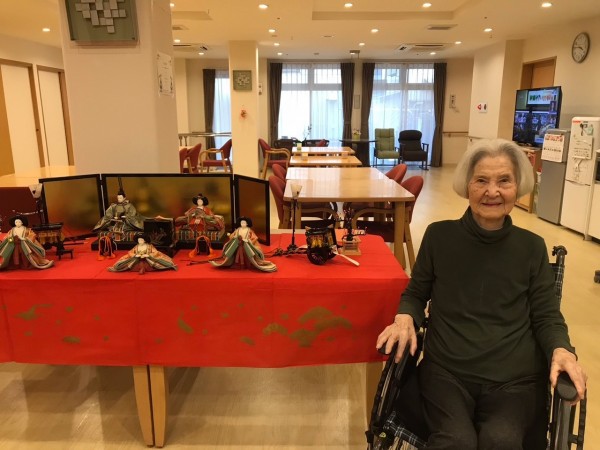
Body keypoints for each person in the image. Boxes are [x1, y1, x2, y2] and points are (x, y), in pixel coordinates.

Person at [376, 139, 587, 450]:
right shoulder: (439, 236)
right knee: (455, 441)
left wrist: (562, 350)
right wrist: (405, 317)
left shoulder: (531, 248)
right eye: (482, 181)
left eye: (504, 181)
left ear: (518, 187)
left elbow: (546, 315)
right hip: (446, 373)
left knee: (501, 441)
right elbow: (416, 293)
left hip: (515, 382)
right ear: (467, 185)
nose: (492, 191)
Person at [210, 216, 276, 272]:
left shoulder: (249, 230)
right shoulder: (238, 229)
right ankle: (237, 264)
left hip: (246, 245)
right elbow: (233, 236)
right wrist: (233, 237)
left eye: (244, 223)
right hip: (238, 244)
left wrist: (248, 241)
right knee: (234, 252)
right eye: (241, 223)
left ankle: (248, 264)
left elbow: (255, 238)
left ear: (247, 224)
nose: (242, 224)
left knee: (249, 254)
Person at [108, 233, 176, 274]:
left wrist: (148, 255)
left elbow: (155, 252)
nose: (139, 241)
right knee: (127, 262)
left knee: (159, 262)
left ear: (145, 240)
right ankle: (140, 269)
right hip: (137, 260)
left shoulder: (149, 246)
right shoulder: (136, 246)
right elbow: (130, 252)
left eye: (141, 240)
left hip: (148, 260)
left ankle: (143, 269)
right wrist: (135, 255)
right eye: (138, 240)